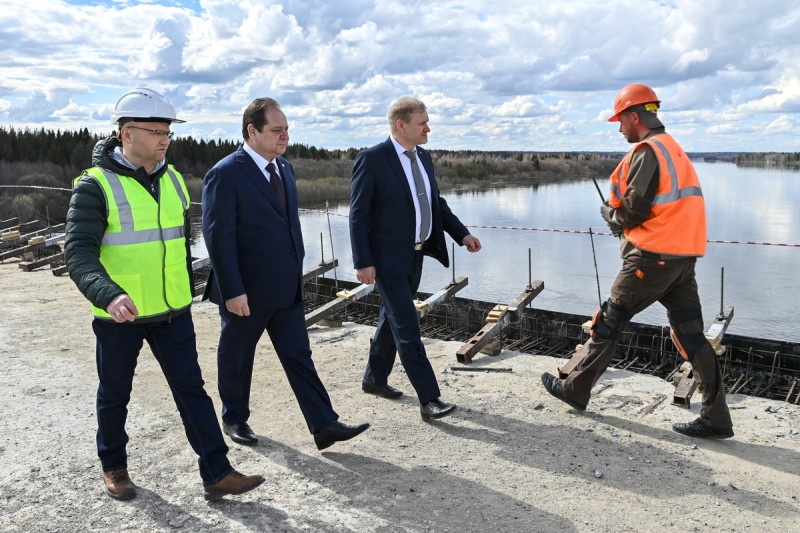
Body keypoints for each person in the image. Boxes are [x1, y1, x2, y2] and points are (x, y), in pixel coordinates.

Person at [64, 88, 265, 501]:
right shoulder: (94, 186)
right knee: (115, 392)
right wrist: (109, 295)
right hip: (120, 315)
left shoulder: (173, 180)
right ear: (125, 134)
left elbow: (178, 245)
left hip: (173, 311)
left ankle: (217, 471)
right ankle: (114, 467)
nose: (164, 139)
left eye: (167, 132)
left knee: (192, 389)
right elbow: (78, 253)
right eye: (155, 131)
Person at [540, 83, 733, 439]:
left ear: (634, 116)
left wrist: (609, 216)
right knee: (692, 337)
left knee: (608, 322)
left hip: (649, 258)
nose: (619, 129)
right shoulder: (674, 149)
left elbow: (633, 210)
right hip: (681, 261)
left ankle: (576, 389)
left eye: (620, 121)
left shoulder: (647, 151)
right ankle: (717, 417)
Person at [201, 97, 369, 451]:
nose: (285, 136)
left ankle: (324, 425)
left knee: (299, 355)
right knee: (237, 355)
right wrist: (232, 290)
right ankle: (234, 417)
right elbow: (218, 238)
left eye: (287, 129)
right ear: (252, 131)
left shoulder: (285, 169)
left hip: (286, 287)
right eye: (277, 130)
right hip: (245, 290)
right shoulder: (225, 173)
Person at [349, 97, 482, 421]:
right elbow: (358, 214)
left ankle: (374, 378)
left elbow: (435, 203)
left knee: (390, 319)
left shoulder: (422, 157)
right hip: (387, 260)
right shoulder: (373, 159)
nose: (428, 128)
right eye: (422, 122)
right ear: (401, 125)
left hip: (417, 255)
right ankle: (430, 399)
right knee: (407, 325)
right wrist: (362, 261)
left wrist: (461, 234)